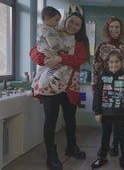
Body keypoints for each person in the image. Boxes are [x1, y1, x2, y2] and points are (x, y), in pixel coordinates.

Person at [30, 11, 89, 170]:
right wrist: (45, 60)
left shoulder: (80, 42)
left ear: (80, 28)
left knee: (70, 119)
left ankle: (71, 146)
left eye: (77, 24)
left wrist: (61, 58)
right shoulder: (52, 33)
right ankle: (51, 154)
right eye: (71, 22)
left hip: (70, 85)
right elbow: (34, 51)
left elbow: (80, 59)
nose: (73, 26)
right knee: (51, 119)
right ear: (65, 21)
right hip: (50, 83)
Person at [91, 17, 124, 156]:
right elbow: (95, 68)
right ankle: (104, 148)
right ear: (107, 29)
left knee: (119, 125)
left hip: (120, 90)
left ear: (121, 30)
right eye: (112, 27)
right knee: (106, 124)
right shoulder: (101, 46)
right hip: (105, 89)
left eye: (117, 27)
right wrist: (94, 87)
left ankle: (115, 146)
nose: (114, 29)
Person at [91, 51, 124, 170]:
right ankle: (102, 157)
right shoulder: (102, 77)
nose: (114, 64)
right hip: (105, 113)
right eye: (111, 62)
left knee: (122, 136)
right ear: (107, 63)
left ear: (121, 62)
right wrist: (97, 112)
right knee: (105, 135)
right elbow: (97, 95)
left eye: (116, 62)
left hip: (120, 114)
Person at [36, 6, 72, 91]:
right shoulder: (46, 30)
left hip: (47, 53)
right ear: (47, 18)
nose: (57, 23)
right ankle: (55, 78)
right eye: (56, 20)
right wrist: (63, 49)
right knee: (66, 66)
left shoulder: (44, 28)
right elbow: (53, 45)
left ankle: (47, 81)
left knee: (46, 70)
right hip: (49, 53)